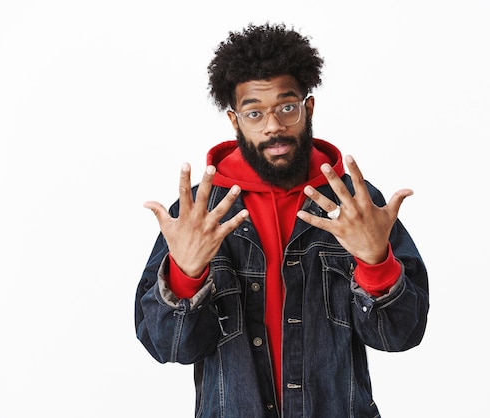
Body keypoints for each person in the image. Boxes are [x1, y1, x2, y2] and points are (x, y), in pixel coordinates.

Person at [135, 22, 429, 418]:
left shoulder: (356, 205)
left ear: (307, 109)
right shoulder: (197, 215)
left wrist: (376, 263)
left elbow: (401, 335)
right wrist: (186, 275)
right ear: (235, 121)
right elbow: (168, 347)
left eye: (286, 107)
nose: (273, 126)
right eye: (255, 113)